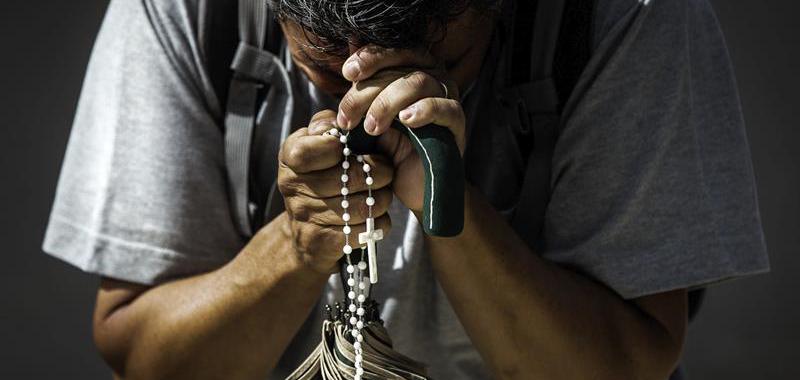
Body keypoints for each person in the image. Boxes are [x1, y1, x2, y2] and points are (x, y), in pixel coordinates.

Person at [43, 0, 769, 379]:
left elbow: (626, 367)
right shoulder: (186, 12)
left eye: (446, 58)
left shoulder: (630, 17)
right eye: (325, 71)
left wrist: (452, 212)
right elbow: (144, 363)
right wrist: (296, 244)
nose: (370, 101)